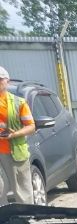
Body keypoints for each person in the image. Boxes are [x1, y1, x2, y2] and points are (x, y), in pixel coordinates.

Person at [0, 65, 36, 204]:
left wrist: (14, 134)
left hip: (14, 152)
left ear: (7, 81)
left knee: (22, 190)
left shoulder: (19, 103)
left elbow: (31, 126)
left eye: (0, 79)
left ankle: (27, 215)